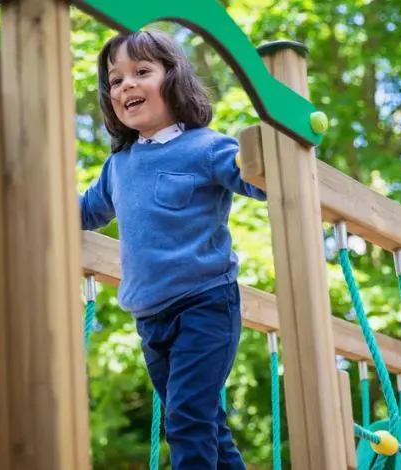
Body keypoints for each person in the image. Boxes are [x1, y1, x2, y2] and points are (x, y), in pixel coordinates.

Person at [80, 28, 266, 469]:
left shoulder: (205, 147)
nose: (126, 85)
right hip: (150, 318)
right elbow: (85, 211)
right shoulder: (119, 166)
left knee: (185, 419)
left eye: (141, 71)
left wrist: (274, 149)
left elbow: (258, 180)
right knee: (206, 426)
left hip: (205, 304)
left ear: (174, 79)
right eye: (116, 79)